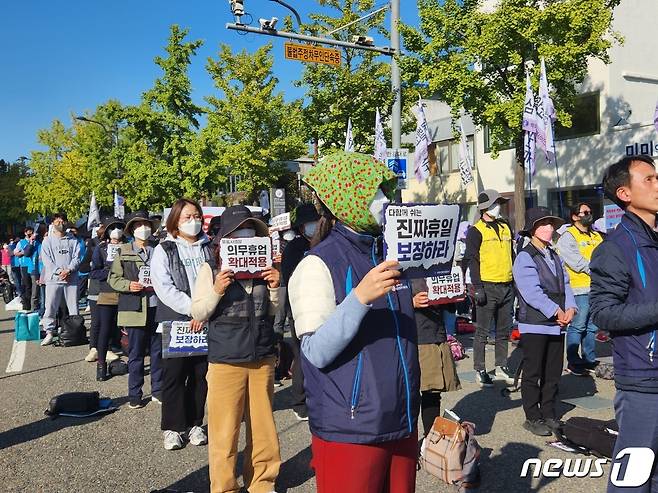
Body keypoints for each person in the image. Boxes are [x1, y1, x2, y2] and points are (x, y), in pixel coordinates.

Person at [288, 151, 420, 493]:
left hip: (402, 418)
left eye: (386, 191)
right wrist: (359, 298)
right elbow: (314, 352)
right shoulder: (317, 264)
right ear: (348, 199)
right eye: (375, 191)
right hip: (351, 428)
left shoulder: (391, 253)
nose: (384, 201)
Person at [192, 205, 282, 493]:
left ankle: (262, 483)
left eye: (252, 230)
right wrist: (217, 289)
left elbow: (276, 311)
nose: (247, 235)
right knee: (224, 431)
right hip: (225, 358)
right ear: (225, 238)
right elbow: (199, 311)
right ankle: (224, 487)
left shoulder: (267, 267)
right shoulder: (210, 268)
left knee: (264, 428)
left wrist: (275, 287)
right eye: (241, 231)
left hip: (262, 356)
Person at [590, 155, 658, 493]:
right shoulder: (615, 247)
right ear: (624, 193)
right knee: (633, 478)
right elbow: (603, 313)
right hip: (643, 380)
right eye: (649, 179)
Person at [151, 198, 211, 451]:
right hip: (176, 322)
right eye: (187, 217)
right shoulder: (164, 249)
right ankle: (173, 428)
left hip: (206, 321)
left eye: (196, 216)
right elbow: (164, 287)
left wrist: (205, 313)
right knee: (174, 377)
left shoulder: (209, 247)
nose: (193, 221)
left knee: (200, 376)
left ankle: (196, 422)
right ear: (175, 221)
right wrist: (192, 310)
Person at [513, 207, 577, 436]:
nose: (550, 228)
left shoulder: (554, 254)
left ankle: (549, 412)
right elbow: (531, 292)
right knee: (533, 371)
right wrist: (556, 311)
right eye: (544, 224)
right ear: (532, 229)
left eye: (551, 225)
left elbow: (566, 283)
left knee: (553, 370)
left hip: (556, 323)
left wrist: (571, 307)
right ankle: (532, 416)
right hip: (535, 323)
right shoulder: (525, 256)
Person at [108, 211, 162, 408]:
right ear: (132, 229)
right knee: (136, 354)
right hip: (133, 308)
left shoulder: (159, 250)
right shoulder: (123, 251)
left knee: (158, 353)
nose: (143, 228)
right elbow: (112, 278)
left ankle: (158, 390)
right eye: (138, 225)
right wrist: (128, 285)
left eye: (146, 224)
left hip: (157, 306)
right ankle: (135, 394)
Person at [462, 189, 515, 387]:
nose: (498, 206)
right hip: (487, 285)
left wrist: (515, 282)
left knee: (504, 331)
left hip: (507, 284)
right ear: (484, 207)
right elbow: (472, 260)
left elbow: (512, 254)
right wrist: (477, 287)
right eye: (494, 203)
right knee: (482, 332)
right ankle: (480, 369)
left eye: (499, 203)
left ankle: (501, 366)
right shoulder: (476, 231)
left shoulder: (505, 226)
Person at [280, 203, 320, 421]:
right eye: (308, 223)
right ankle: (299, 401)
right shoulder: (294, 248)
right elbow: (289, 277)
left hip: (324, 304)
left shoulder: (324, 242)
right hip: (299, 307)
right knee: (302, 354)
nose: (313, 226)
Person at [556, 202, 604, 376]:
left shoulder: (596, 236)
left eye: (590, 212)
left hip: (596, 287)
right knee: (577, 326)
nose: (588, 215)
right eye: (585, 212)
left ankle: (589, 359)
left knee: (592, 327)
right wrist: (600, 270)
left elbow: (604, 255)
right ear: (575, 216)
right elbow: (576, 262)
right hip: (578, 288)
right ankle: (574, 362)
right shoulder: (568, 237)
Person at [411, 279, 461, 438]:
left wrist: (455, 293)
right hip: (413, 336)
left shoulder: (438, 267)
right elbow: (387, 299)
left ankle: (430, 442)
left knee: (432, 393)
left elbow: (450, 307)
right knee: (409, 395)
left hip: (435, 334)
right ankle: (410, 445)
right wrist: (410, 302)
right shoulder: (399, 263)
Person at [90, 217, 127, 380]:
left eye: (120, 227)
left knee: (130, 329)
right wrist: (110, 272)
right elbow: (94, 272)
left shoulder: (129, 246)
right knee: (104, 328)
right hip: (107, 292)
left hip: (127, 291)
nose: (117, 231)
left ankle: (133, 361)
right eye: (113, 228)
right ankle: (101, 365)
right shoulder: (101, 248)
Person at [40, 213, 81, 346]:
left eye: (63, 221)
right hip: (54, 279)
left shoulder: (73, 240)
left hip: (71, 278)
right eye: (57, 222)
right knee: (50, 306)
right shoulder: (47, 241)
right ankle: (49, 332)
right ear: (52, 224)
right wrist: (59, 272)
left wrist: (69, 270)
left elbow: (77, 258)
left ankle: (75, 330)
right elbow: (47, 260)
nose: (61, 224)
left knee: (74, 306)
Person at [14, 226, 37, 311]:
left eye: (31, 231)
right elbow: (16, 253)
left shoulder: (36, 241)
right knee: (27, 285)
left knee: (34, 286)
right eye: (28, 231)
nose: (30, 233)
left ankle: (34, 304)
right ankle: (27, 305)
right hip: (24, 265)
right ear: (25, 233)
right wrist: (24, 251)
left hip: (34, 265)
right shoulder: (21, 242)